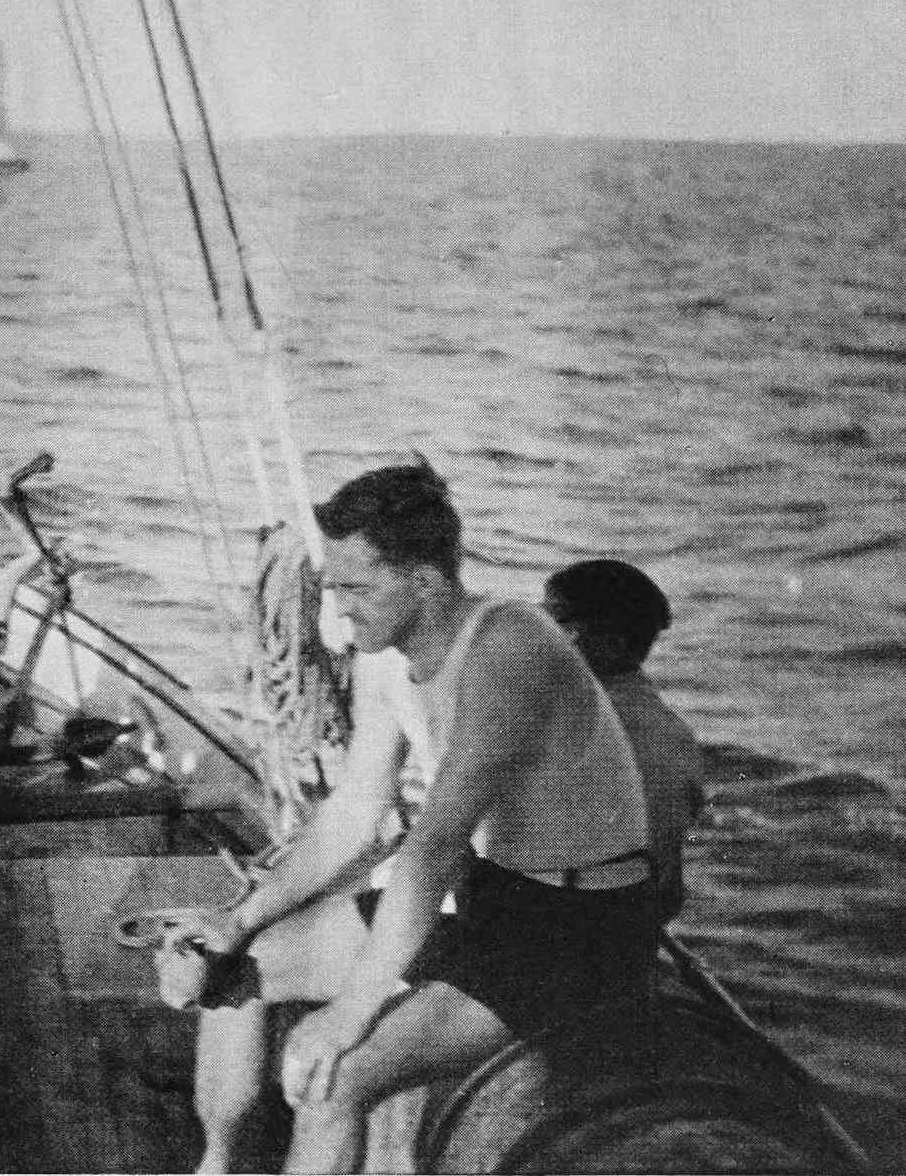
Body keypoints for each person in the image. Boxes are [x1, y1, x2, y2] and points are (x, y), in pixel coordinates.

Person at [184, 464, 656, 1174]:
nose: (338, 610)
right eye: (335, 588)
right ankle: (217, 1164)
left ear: (427, 582)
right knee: (237, 970)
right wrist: (236, 921)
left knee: (335, 1078)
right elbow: (353, 812)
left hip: (576, 932)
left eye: (356, 589)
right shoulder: (386, 656)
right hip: (488, 899)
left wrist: (351, 1013)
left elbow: (433, 848)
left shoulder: (509, 650)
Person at [544, 559, 707, 927]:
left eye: (556, 620)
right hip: (631, 926)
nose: (542, 633)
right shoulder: (672, 731)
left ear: (611, 643)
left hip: (567, 926)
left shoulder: (580, 725)